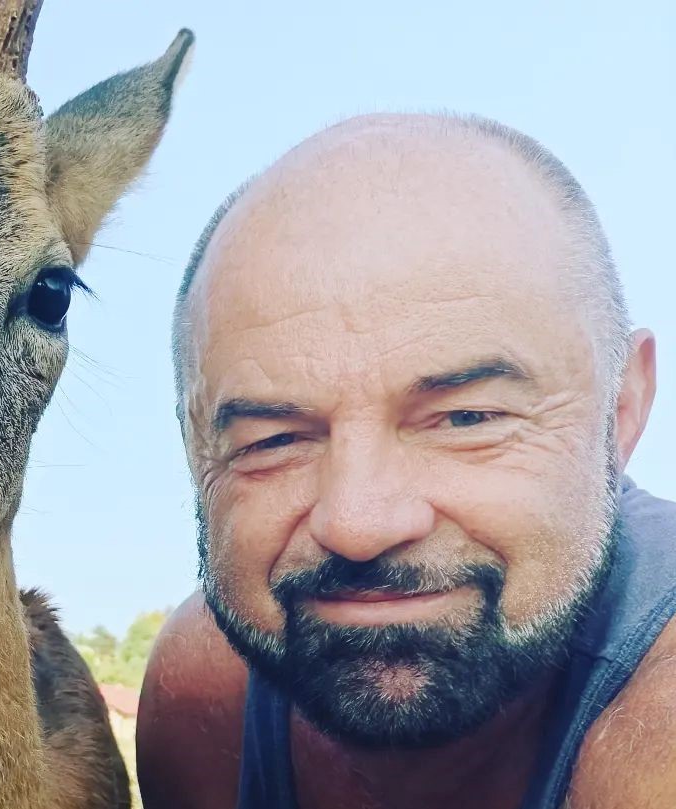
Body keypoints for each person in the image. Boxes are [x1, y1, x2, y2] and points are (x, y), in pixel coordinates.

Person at [137, 112, 674, 809]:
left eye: (464, 418)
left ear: (621, 408)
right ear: (195, 452)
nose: (358, 521)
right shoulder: (204, 699)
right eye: (274, 439)